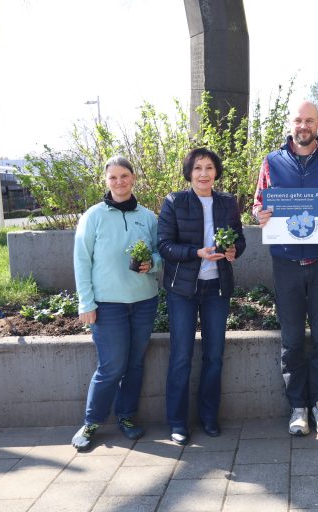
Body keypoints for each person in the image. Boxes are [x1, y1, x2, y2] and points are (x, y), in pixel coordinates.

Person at [252, 100, 318, 436]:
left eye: (309, 120)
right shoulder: (271, 162)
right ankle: (298, 408)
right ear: (291, 123)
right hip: (286, 263)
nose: (303, 126)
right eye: (298, 120)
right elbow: (257, 204)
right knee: (292, 340)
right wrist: (260, 215)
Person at [71, 155, 162, 451]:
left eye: (124, 176)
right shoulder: (93, 216)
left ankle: (126, 416)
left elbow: (161, 254)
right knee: (111, 367)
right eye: (113, 177)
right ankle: (91, 422)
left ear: (133, 178)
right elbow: (81, 261)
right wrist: (86, 303)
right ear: (106, 181)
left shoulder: (148, 217)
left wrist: (154, 264)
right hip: (107, 305)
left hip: (144, 302)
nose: (119, 182)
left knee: (135, 364)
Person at [157, 147, 246, 446]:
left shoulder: (227, 202)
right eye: (197, 169)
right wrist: (195, 253)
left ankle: (209, 417)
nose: (203, 174)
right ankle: (177, 422)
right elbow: (165, 246)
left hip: (216, 289)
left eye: (208, 168)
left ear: (216, 172)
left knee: (214, 357)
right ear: (189, 173)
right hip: (183, 290)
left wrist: (234, 250)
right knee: (181, 356)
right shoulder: (174, 202)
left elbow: (239, 238)